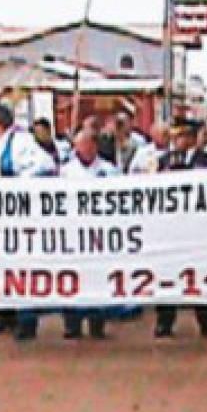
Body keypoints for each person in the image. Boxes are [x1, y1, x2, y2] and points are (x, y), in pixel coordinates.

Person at [0, 103, 57, 341]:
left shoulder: (21, 141)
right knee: (5, 267)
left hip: (21, 213)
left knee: (23, 266)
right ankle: (7, 316)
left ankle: (27, 320)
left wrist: (19, 185)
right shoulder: (4, 143)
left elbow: (46, 164)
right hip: (5, 215)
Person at [155, 118, 207, 340]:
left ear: (192, 138)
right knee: (167, 275)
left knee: (201, 274)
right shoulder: (164, 161)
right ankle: (164, 321)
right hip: (171, 229)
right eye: (175, 136)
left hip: (199, 230)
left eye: (182, 136)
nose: (178, 141)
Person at [60, 128, 118, 339]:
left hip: (99, 234)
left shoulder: (109, 171)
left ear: (94, 146)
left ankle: (97, 323)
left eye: (85, 145)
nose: (81, 149)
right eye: (78, 145)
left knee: (96, 278)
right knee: (71, 277)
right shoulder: (65, 172)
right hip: (73, 233)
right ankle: (72, 323)